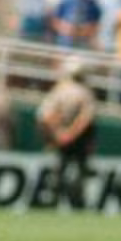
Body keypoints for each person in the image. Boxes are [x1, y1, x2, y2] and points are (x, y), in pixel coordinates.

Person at [35, 58, 98, 209]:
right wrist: (69, 134)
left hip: (62, 137)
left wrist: (57, 134)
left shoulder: (59, 90)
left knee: (59, 171)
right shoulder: (85, 92)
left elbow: (46, 116)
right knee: (78, 173)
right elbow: (85, 119)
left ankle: (54, 202)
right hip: (79, 139)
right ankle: (75, 203)